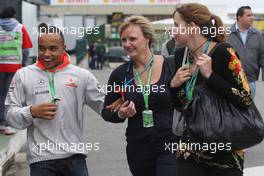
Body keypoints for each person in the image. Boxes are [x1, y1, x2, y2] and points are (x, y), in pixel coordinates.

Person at [5, 25, 106, 176]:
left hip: (74, 157)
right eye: (41, 49)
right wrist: (31, 111)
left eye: (53, 48)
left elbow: (105, 107)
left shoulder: (82, 76)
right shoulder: (23, 75)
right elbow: (10, 116)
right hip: (41, 160)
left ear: (63, 48)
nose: (46, 54)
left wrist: (122, 108)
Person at [169, 3, 252, 176]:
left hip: (224, 150)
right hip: (189, 149)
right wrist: (173, 86)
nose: (173, 30)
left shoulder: (223, 52)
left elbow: (245, 98)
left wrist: (211, 76)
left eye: (177, 25)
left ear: (192, 27)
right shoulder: (180, 56)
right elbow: (181, 106)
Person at [102, 16, 178, 176]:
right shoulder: (120, 74)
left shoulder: (171, 65)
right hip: (139, 147)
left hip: (171, 144)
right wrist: (121, 113)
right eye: (124, 40)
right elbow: (107, 112)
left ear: (147, 38)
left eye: (132, 39)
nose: (126, 44)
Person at [0, 6, 32, 135]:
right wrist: (24, 65)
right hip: (14, 66)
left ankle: (1, 124)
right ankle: (7, 124)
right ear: (13, 15)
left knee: (1, 94)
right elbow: (26, 49)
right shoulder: (20, 28)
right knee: (10, 96)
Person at [226, 6, 264, 99]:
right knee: (232, 111)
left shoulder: (257, 34)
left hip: (250, 81)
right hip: (231, 81)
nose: (252, 18)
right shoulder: (227, 34)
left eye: (252, 15)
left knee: (249, 111)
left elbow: (262, 56)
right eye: (248, 15)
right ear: (239, 17)